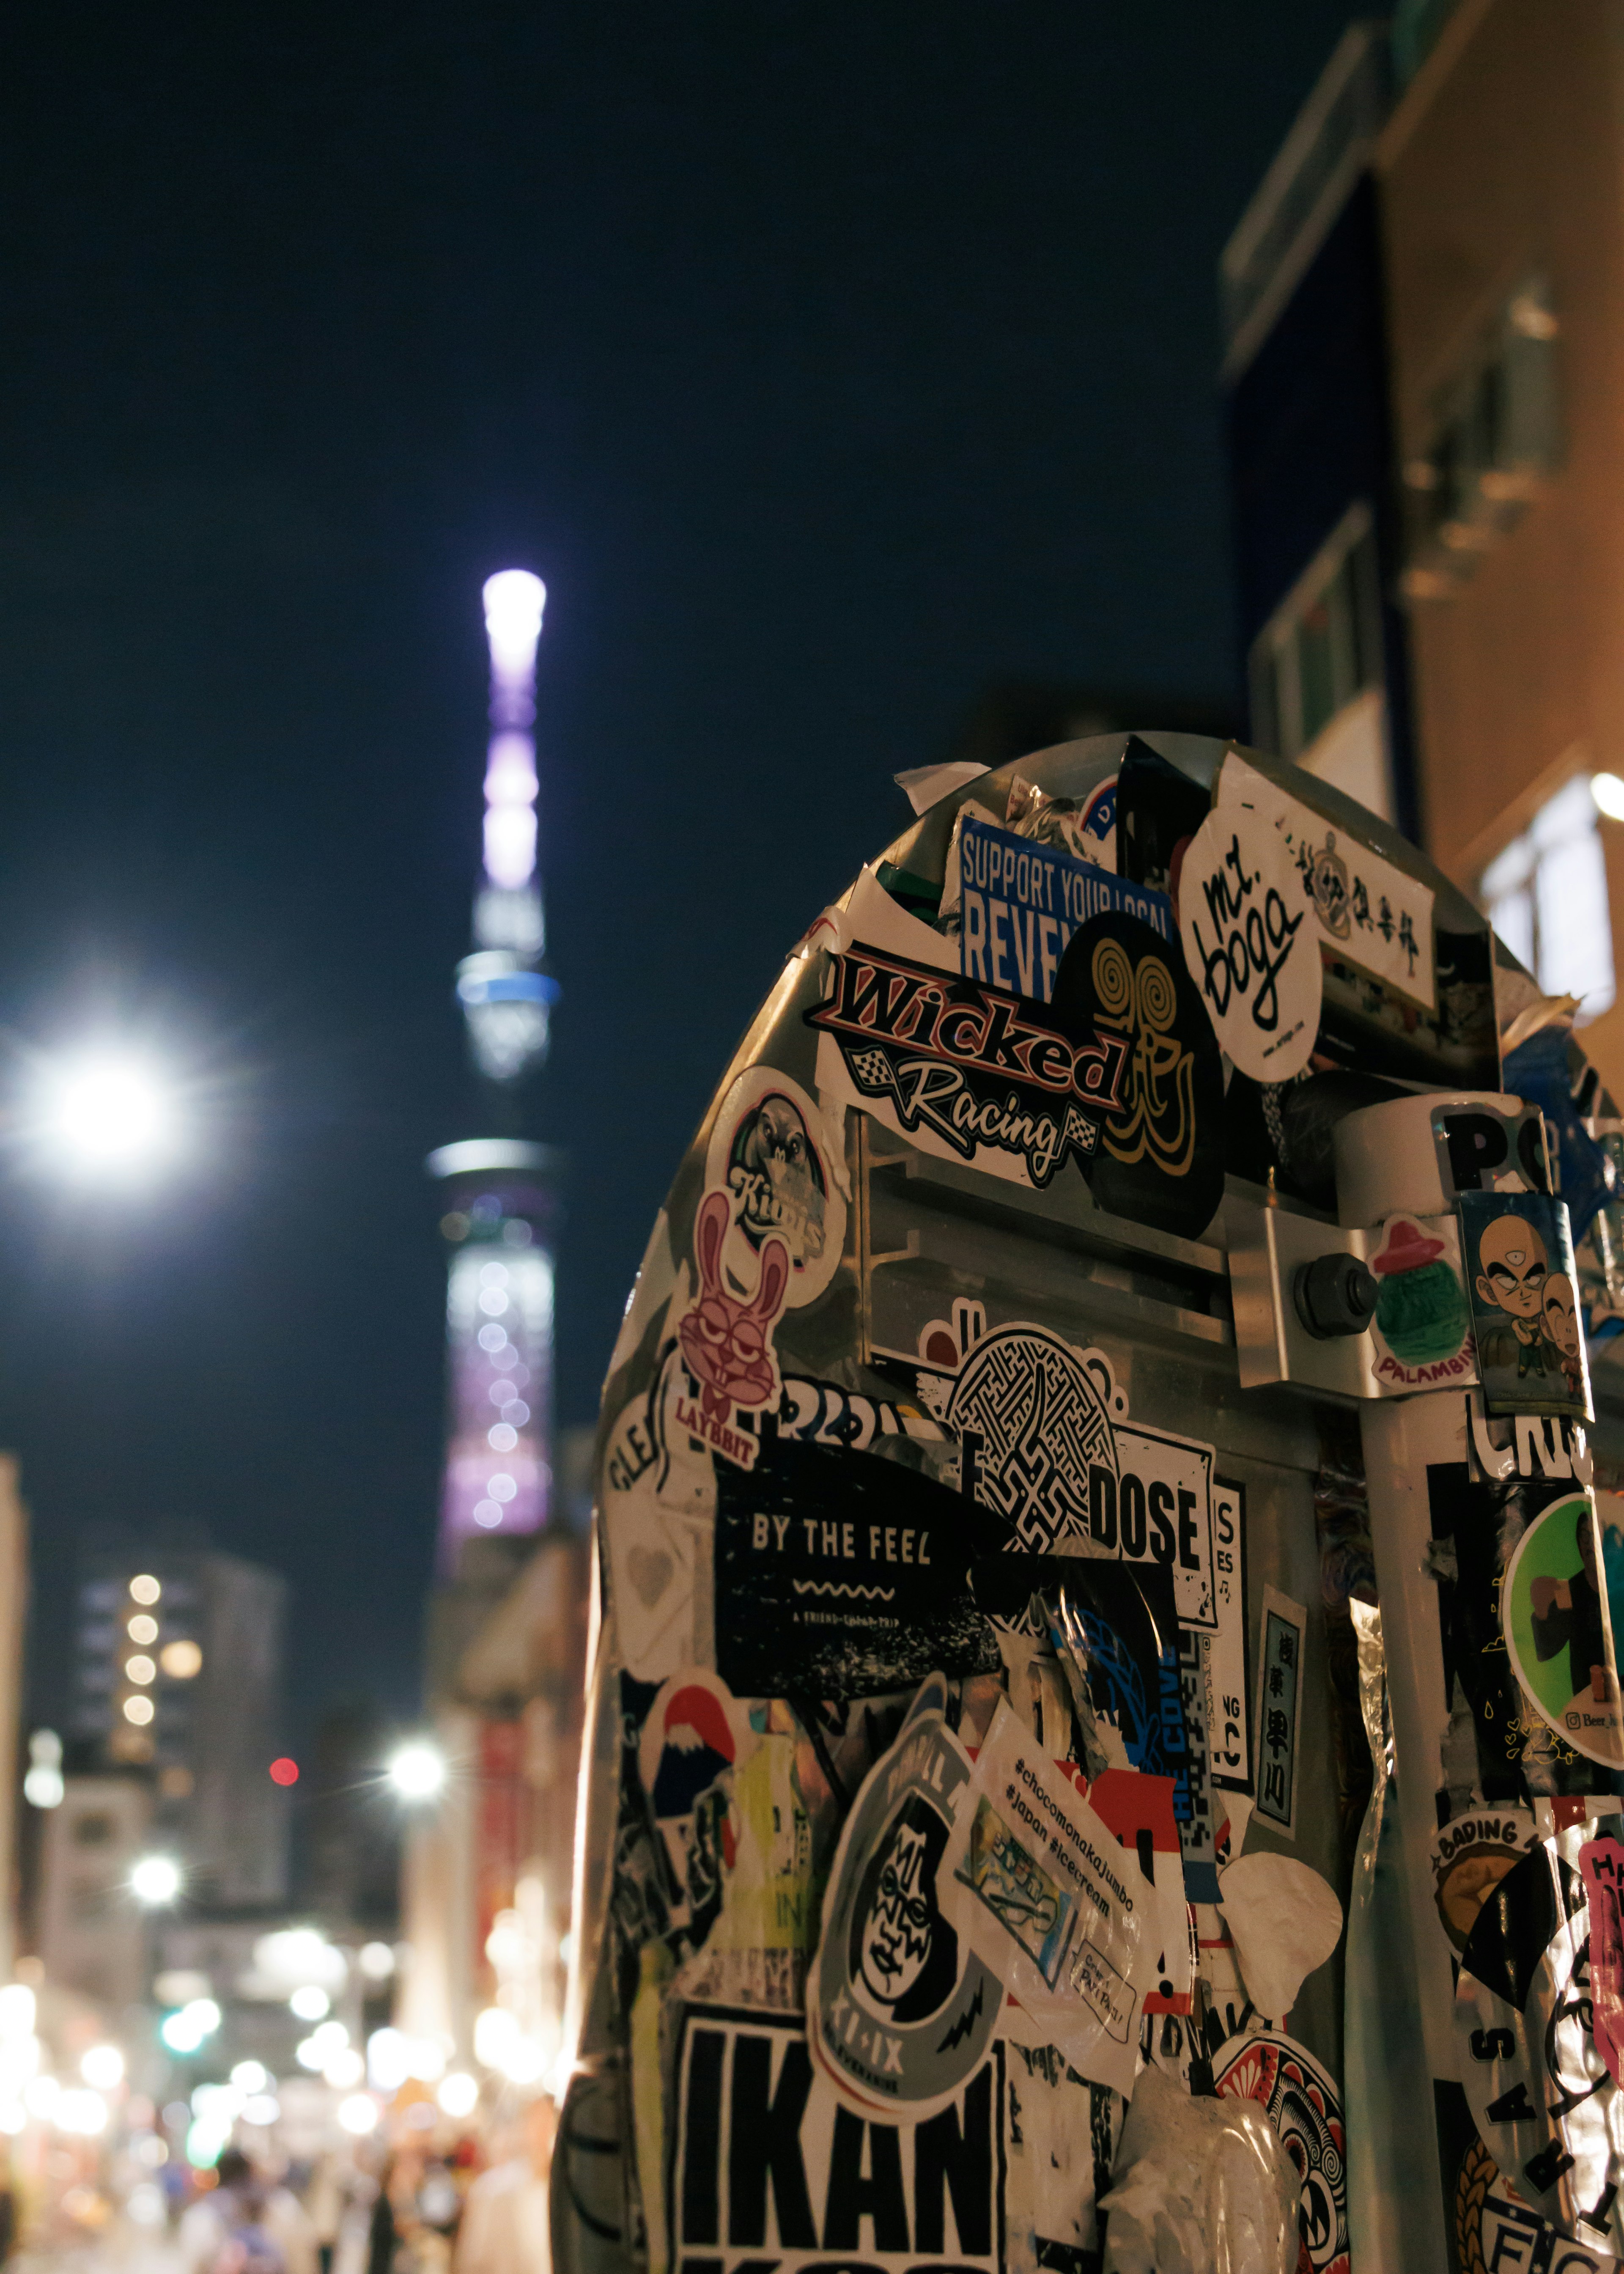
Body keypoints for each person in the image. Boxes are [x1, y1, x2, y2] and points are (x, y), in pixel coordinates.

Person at [454, 2098, 556, 2274]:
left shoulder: (569, 2191)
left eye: (550, 2124)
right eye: (537, 2123)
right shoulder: (493, 2190)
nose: (543, 2133)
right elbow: (474, 2258)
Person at [180, 2150, 318, 2274]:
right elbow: (303, 2258)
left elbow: (193, 2264)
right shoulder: (283, 2204)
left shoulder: (202, 2214)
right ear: (252, 2172)